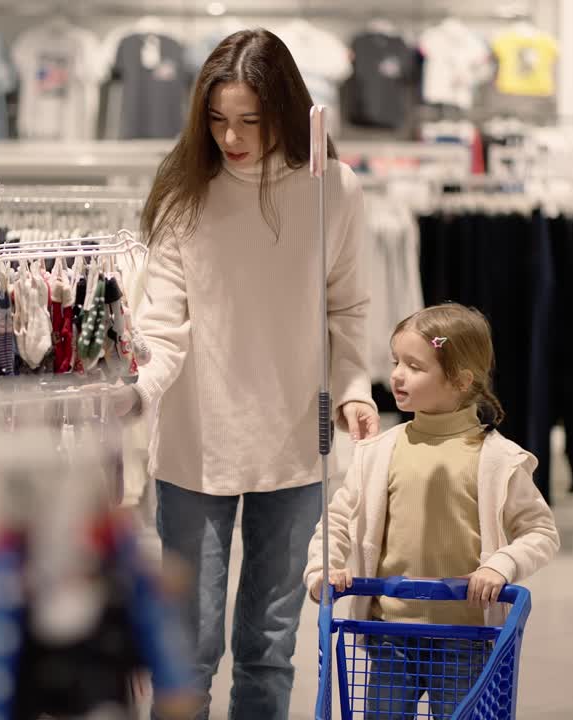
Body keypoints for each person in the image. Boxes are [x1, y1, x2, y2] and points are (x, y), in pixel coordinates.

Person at [112, 28, 380, 720]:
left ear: (284, 112)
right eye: (217, 119)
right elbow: (163, 325)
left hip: (295, 443)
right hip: (198, 442)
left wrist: (353, 389)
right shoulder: (184, 195)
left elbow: (348, 307)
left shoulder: (332, 189)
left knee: (268, 644)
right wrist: (136, 390)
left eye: (249, 122)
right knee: (190, 645)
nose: (231, 137)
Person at [303, 304, 560, 718]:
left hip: (465, 637)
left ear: (460, 380)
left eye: (414, 366)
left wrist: (501, 565)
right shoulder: (379, 453)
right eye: (395, 362)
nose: (398, 375)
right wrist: (323, 570)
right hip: (388, 633)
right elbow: (335, 521)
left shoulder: (498, 460)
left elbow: (541, 533)